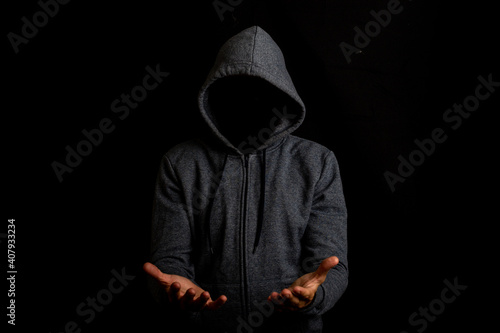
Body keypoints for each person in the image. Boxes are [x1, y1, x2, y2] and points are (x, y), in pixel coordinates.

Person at [143, 25, 348, 333]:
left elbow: (331, 266)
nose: (249, 101)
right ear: (213, 93)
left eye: (262, 91)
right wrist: (177, 294)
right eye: (236, 89)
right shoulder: (181, 163)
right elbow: (169, 262)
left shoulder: (317, 162)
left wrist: (314, 295)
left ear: (283, 95)